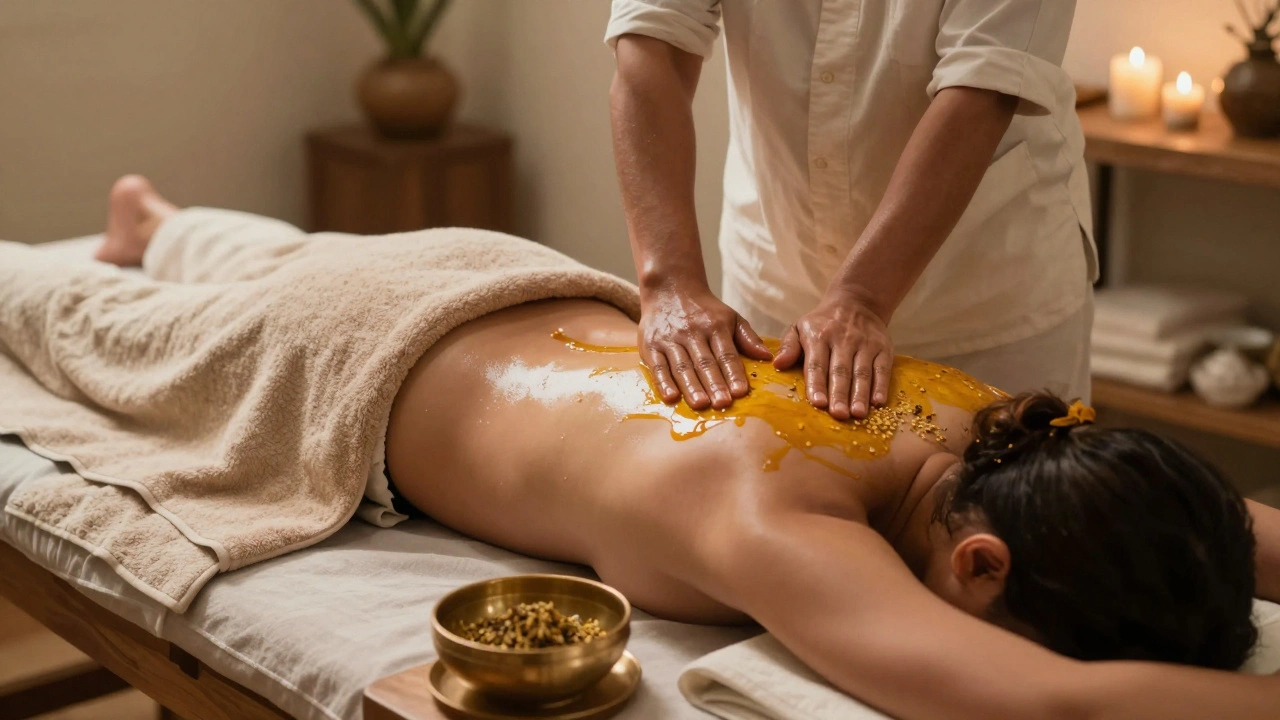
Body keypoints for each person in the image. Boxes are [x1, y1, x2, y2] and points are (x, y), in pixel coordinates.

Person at [76, 177, 1280, 719]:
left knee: (287, 254)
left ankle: (163, 221)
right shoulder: (777, 526)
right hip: (336, 363)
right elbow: (1052, 706)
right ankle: (131, 242)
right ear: (978, 569)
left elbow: (1219, 524)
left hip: (484, 270)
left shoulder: (999, 423)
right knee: (74, 318)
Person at [607, 1, 1096, 423]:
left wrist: (861, 297)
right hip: (774, 275)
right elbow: (655, 41)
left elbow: (983, 87)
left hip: (983, 295)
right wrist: (669, 281)